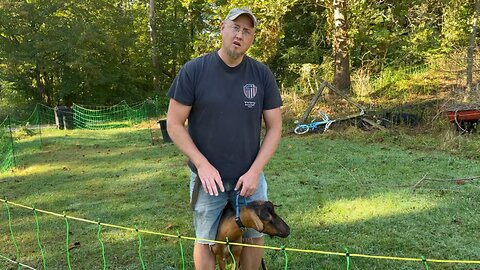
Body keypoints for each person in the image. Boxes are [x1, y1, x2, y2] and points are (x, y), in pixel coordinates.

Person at [166, 7, 282, 270]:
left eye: (247, 31)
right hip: (208, 182)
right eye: (235, 27)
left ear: (252, 38)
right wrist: (202, 165)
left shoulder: (261, 75)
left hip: (249, 181)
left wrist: (255, 171)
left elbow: (275, 127)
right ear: (222, 28)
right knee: (206, 240)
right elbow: (174, 124)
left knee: (254, 237)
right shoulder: (194, 71)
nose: (239, 35)